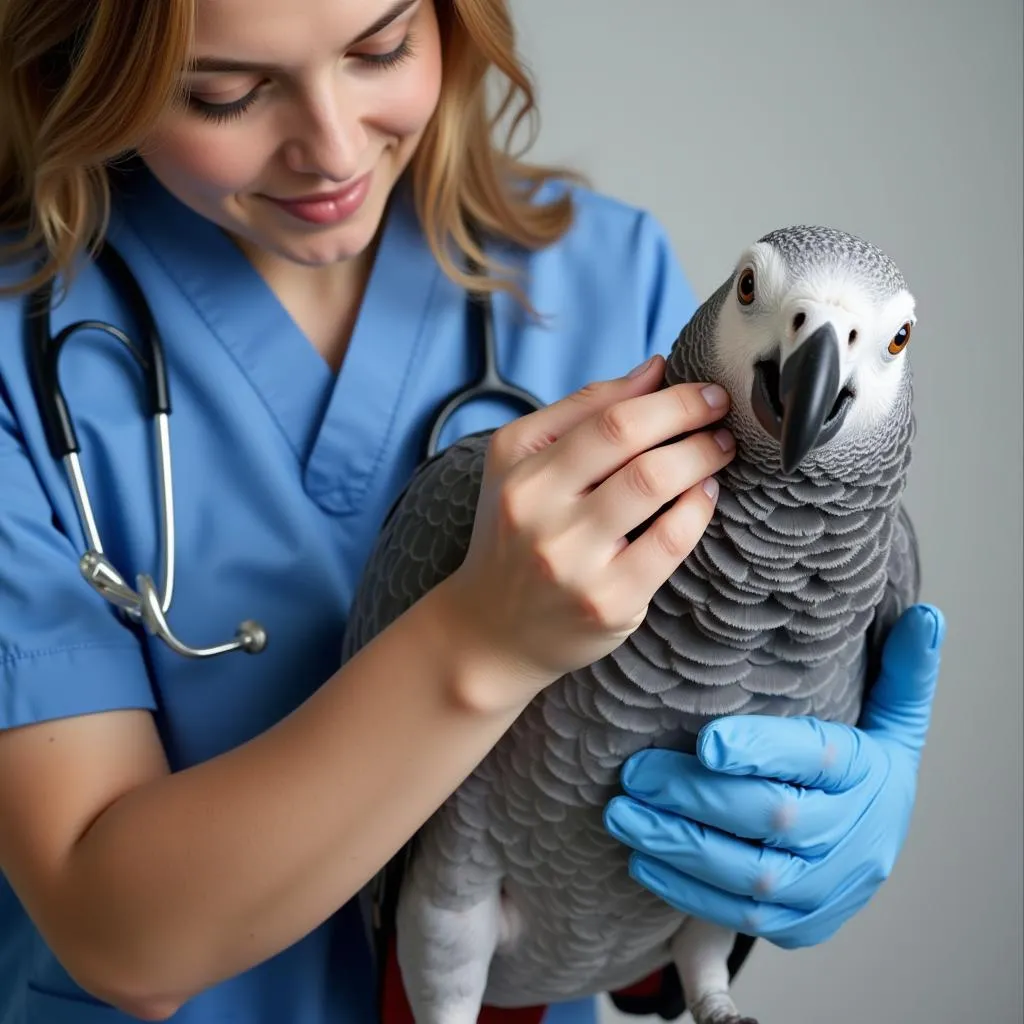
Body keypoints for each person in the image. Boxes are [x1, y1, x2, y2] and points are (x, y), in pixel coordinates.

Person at [0, 1, 946, 1023]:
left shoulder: (607, 272)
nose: (329, 148)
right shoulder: (19, 362)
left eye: (380, 49)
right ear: (88, 70)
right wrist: (479, 640)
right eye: (224, 90)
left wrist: (796, 836)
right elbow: (119, 937)